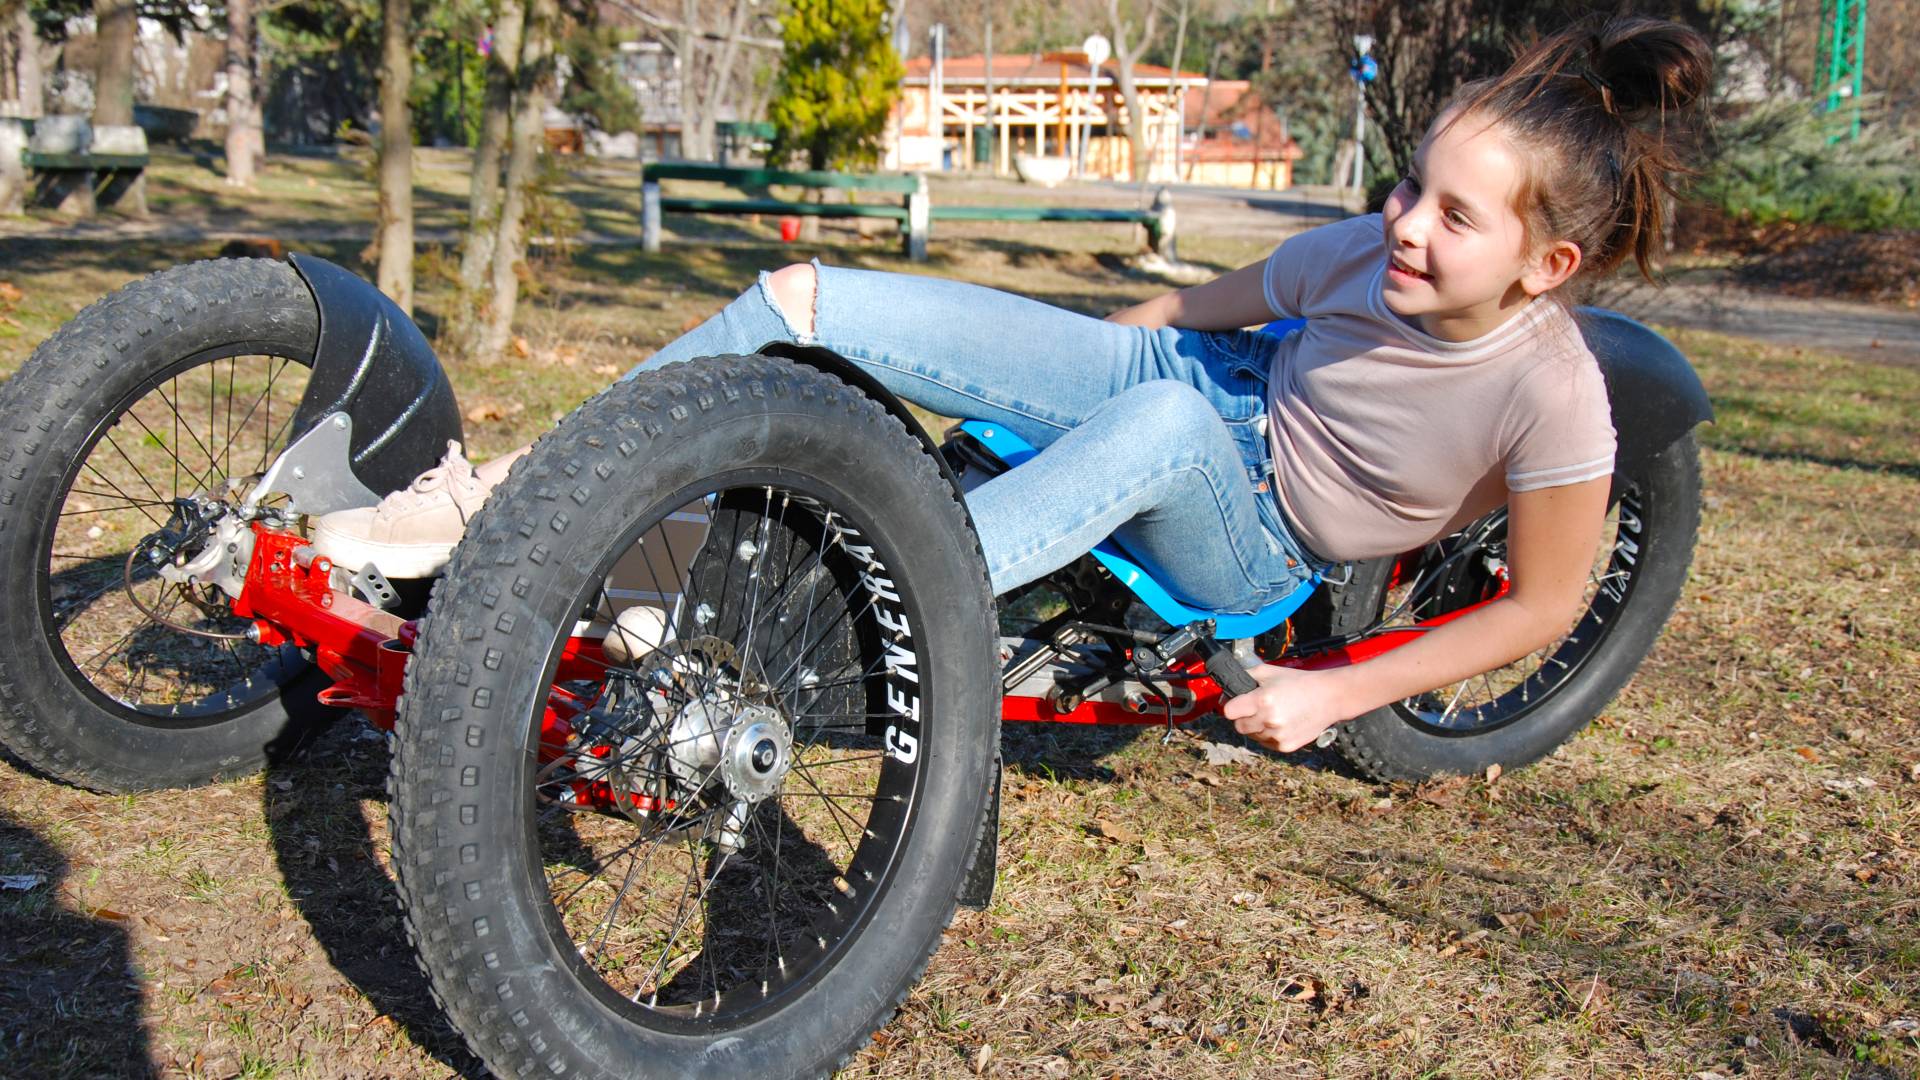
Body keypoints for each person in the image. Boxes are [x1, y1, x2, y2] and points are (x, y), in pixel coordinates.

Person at [312, 14, 1711, 757]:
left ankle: (849, 605)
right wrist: (1036, 361)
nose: (1405, 225)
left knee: (1162, 420)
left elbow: (1540, 607)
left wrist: (1335, 696)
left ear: (1546, 265)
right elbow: (1183, 319)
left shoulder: (1555, 397)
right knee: (807, 299)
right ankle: (508, 501)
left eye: (1455, 217)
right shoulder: (1363, 250)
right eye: (1410, 187)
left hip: (1255, 533)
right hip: (1186, 384)